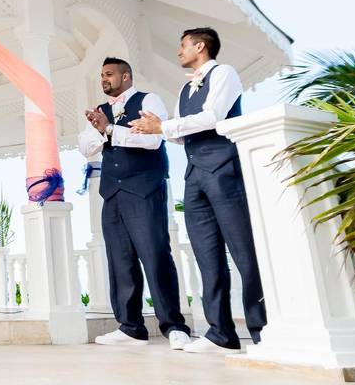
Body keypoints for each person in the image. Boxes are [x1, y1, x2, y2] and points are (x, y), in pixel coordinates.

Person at [130, 27, 266, 354]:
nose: (179, 52)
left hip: (224, 172)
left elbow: (213, 117)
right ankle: (221, 333)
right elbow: (183, 133)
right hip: (194, 177)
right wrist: (156, 129)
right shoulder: (183, 88)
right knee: (208, 257)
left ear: (200, 46)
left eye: (183, 46)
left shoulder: (225, 74)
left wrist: (164, 127)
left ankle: (263, 330)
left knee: (244, 252)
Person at [79, 57, 191, 349]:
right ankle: (130, 327)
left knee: (155, 256)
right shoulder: (100, 111)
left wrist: (111, 131)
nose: (104, 79)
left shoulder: (148, 99)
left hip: (143, 189)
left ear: (126, 76)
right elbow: (86, 147)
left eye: (109, 74)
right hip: (112, 194)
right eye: (101, 75)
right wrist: (101, 129)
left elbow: (152, 140)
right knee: (120, 261)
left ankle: (174, 326)